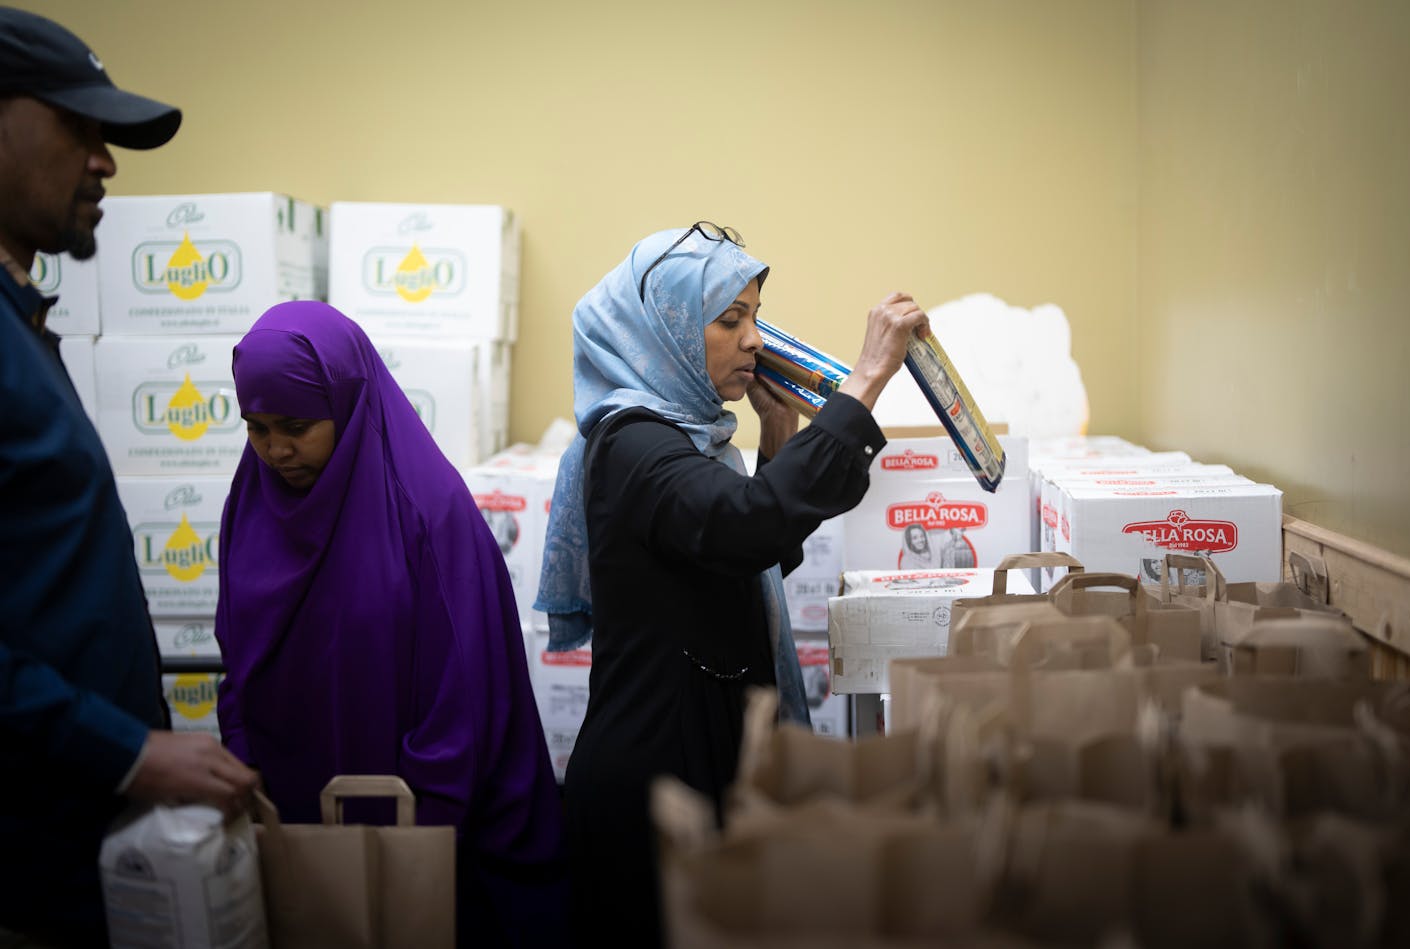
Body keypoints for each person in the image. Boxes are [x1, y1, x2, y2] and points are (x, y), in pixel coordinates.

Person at [535, 221, 928, 946]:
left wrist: (778, 439)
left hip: (694, 753)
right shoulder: (634, 442)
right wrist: (864, 380)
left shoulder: (687, 436)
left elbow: (731, 563)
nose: (755, 339)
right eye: (730, 319)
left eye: (754, 316)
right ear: (669, 330)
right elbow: (743, 525)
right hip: (651, 786)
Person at [0, 8, 258, 946]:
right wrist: (124, 753)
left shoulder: (25, 320)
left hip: (93, 853)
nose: (106, 160)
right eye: (80, 126)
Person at [215, 300, 568, 948]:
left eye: (295, 424)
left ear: (348, 404)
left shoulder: (428, 515)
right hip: (290, 818)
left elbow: (461, 695)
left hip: (420, 826)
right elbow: (236, 646)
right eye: (256, 427)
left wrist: (414, 836)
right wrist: (245, 764)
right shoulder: (252, 501)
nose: (276, 449)